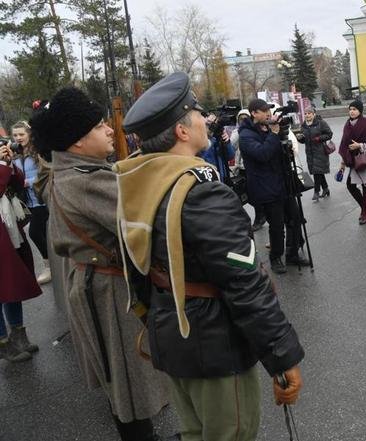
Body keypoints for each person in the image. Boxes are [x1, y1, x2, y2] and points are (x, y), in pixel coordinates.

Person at [117, 72, 305, 441]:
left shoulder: (139, 183)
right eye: (198, 114)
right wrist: (282, 356)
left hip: (173, 335)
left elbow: (137, 269)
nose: (206, 119)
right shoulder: (202, 192)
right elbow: (244, 281)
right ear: (182, 131)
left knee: (194, 433)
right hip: (214, 345)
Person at [30, 87, 169, 440]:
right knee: (127, 383)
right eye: (98, 126)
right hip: (108, 292)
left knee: (120, 381)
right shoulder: (86, 180)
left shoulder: (72, 173)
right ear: (77, 141)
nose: (109, 129)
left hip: (97, 284)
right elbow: (151, 222)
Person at [239, 98, 309, 273]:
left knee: (295, 219)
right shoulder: (246, 135)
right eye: (264, 111)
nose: (268, 114)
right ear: (254, 113)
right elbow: (263, 154)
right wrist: (274, 134)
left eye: (269, 110)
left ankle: (292, 254)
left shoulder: (268, 129)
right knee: (277, 226)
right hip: (266, 187)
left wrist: (286, 146)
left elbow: (280, 154)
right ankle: (275, 257)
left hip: (283, 183)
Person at [0, 143, 42, 363]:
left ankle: (18, 335)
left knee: (12, 283)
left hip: (9, 228)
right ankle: (3, 343)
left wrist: (9, 164)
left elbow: (17, 184)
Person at [11, 121, 52, 284]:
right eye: (15, 135)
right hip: (27, 202)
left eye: (21, 134)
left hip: (41, 199)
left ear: (29, 134)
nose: (18, 138)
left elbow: (48, 173)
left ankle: (48, 266)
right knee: (38, 233)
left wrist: (27, 182)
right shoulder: (15, 154)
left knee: (34, 232)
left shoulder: (38, 151)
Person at [338, 100, 366, 225]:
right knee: (350, 185)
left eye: (354, 109)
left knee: (365, 185)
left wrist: (360, 145)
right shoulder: (347, 124)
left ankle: (365, 213)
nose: (352, 111)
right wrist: (343, 162)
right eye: (350, 109)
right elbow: (344, 143)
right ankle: (365, 207)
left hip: (364, 158)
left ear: (360, 111)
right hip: (351, 160)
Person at [295, 107, 333, 201]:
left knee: (317, 172)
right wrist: (300, 138)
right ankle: (325, 189)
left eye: (309, 113)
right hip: (310, 153)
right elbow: (303, 140)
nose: (307, 115)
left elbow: (329, 134)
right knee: (318, 172)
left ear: (313, 114)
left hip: (320, 151)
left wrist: (319, 138)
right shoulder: (304, 125)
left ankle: (316, 191)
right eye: (306, 113)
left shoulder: (321, 123)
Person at [200, 114, 235, 181]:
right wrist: (210, 138)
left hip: (222, 178)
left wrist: (227, 142)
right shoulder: (200, 141)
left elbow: (230, 156)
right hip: (210, 180)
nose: (213, 126)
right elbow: (203, 159)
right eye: (208, 124)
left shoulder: (217, 137)